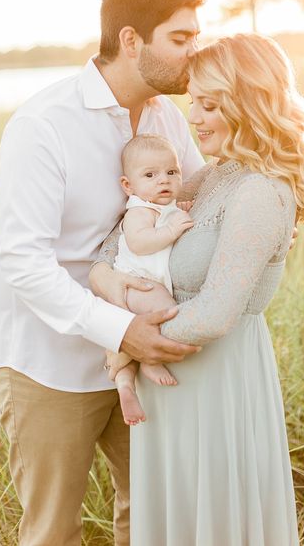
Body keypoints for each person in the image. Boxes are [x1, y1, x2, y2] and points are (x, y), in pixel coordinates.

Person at [0, 0, 208, 546]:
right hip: (46, 360)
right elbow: (22, 261)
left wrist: (275, 201)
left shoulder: (166, 118)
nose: (194, 53)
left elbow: (203, 202)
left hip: (144, 354)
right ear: (131, 40)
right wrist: (122, 328)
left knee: (156, 517)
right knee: (54, 530)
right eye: (181, 39)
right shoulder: (42, 125)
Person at [91, 32, 304, 545]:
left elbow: (217, 313)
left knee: (216, 522)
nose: (193, 117)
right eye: (192, 100)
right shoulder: (216, 175)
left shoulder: (263, 191)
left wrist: (129, 331)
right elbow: (116, 245)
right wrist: (106, 282)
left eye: (210, 104)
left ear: (249, 103)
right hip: (168, 379)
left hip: (217, 379)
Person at [107, 133, 194, 426]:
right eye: (150, 175)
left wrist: (177, 213)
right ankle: (150, 361)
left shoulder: (162, 206)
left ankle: (125, 386)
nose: (164, 181)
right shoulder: (139, 210)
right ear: (128, 186)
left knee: (122, 350)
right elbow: (139, 242)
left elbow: (168, 215)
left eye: (172, 172)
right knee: (166, 308)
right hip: (136, 283)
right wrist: (171, 231)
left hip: (140, 286)